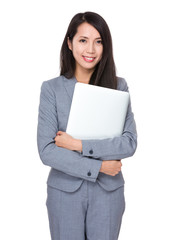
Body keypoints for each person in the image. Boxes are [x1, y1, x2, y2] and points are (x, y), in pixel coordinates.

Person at [37, 11, 137, 240]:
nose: (91, 50)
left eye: (98, 41)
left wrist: (77, 144)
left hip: (108, 194)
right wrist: (100, 167)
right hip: (64, 192)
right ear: (70, 43)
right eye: (83, 40)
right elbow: (47, 151)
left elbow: (129, 143)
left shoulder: (118, 87)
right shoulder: (51, 89)